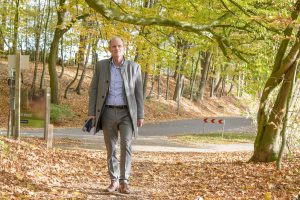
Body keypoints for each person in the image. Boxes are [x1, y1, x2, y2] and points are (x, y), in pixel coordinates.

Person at [87, 36, 144, 194]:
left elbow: (139, 93)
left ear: (124, 47)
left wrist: (140, 115)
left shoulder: (134, 67)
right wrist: (91, 113)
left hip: (127, 113)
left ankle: (124, 181)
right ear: (109, 49)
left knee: (126, 146)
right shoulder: (101, 66)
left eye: (119, 46)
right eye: (113, 46)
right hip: (107, 113)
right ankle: (114, 181)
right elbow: (93, 90)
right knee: (111, 148)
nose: (116, 49)